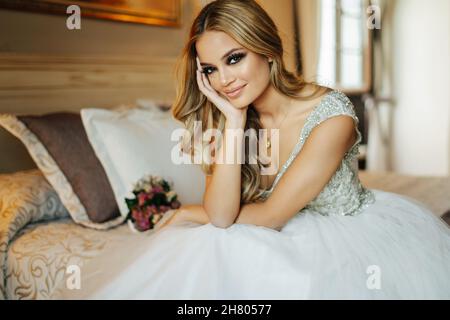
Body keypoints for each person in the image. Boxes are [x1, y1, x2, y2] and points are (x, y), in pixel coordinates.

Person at [56, 0, 450, 299]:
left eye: (234, 59)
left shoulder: (334, 118)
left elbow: (271, 216)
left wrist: (187, 212)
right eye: (209, 69)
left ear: (267, 50)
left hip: (349, 234)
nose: (224, 80)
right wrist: (232, 120)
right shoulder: (230, 117)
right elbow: (224, 216)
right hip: (268, 223)